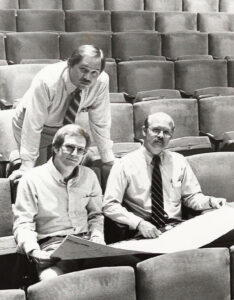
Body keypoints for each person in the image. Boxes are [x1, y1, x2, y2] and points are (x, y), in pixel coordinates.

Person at [103, 112, 228, 243]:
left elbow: (191, 197)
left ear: (172, 134)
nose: (161, 136)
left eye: (166, 132)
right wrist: (138, 223)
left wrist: (210, 201)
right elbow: (110, 205)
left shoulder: (179, 161)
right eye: (156, 130)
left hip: (177, 229)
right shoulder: (124, 164)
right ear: (144, 131)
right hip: (143, 232)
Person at [9, 44, 114, 183]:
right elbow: (33, 124)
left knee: (63, 177)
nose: (88, 77)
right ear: (70, 63)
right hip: (30, 123)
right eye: (83, 69)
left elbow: (101, 121)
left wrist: (108, 159)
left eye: (94, 72)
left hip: (62, 127)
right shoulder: (47, 81)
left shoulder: (101, 81)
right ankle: (17, 160)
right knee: (38, 178)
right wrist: (27, 165)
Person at [13, 124, 105, 280]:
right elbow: (23, 223)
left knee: (133, 268)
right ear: (55, 148)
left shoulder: (89, 176)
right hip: (53, 248)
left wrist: (97, 238)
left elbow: (96, 215)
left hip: (88, 244)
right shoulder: (32, 179)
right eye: (69, 147)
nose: (75, 154)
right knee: (52, 281)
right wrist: (34, 251)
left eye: (80, 150)